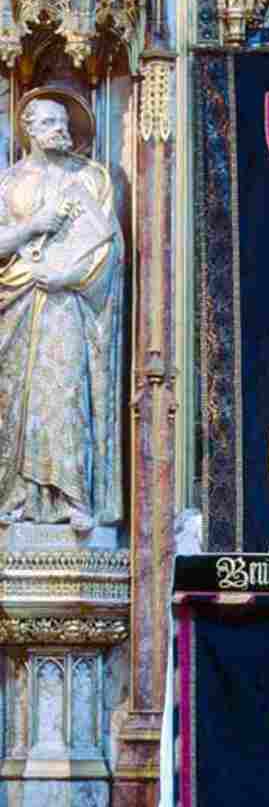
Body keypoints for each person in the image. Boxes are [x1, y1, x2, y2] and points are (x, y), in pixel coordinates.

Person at [0, 88, 123, 532]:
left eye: (65, 125)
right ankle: (15, 494)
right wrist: (33, 225)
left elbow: (109, 249)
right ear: (28, 127)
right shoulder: (9, 183)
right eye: (51, 123)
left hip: (68, 303)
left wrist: (68, 276)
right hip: (15, 304)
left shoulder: (92, 178)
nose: (61, 132)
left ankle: (74, 495)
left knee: (65, 391)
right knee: (15, 398)